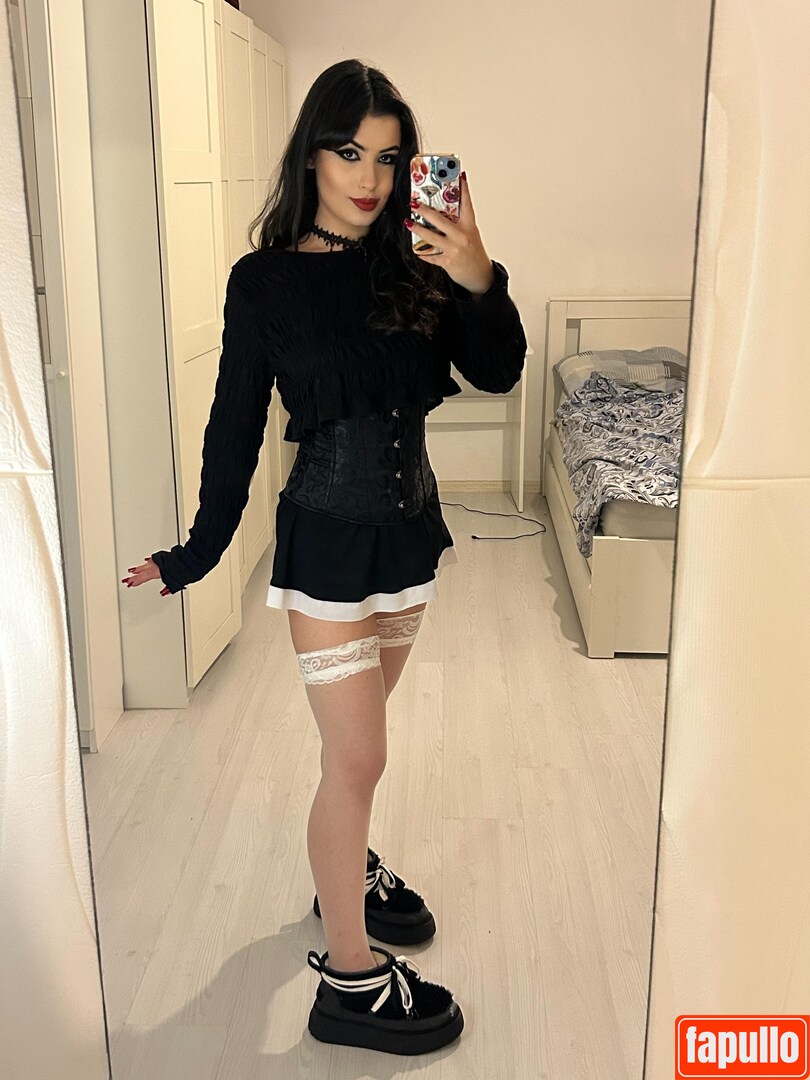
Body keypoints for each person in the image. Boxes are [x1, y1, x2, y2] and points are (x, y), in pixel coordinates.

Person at [122, 58, 526, 1056]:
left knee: (352, 749)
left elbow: (499, 369)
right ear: (312, 154)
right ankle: (350, 982)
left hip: (409, 541)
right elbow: (232, 426)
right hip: (327, 551)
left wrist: (477, 271)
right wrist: (197, 553)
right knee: (360, 755)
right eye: (350, 151)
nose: (370, 177)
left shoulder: (418, 261)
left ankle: (341, 869)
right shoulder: (265, 282)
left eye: (389, 157)